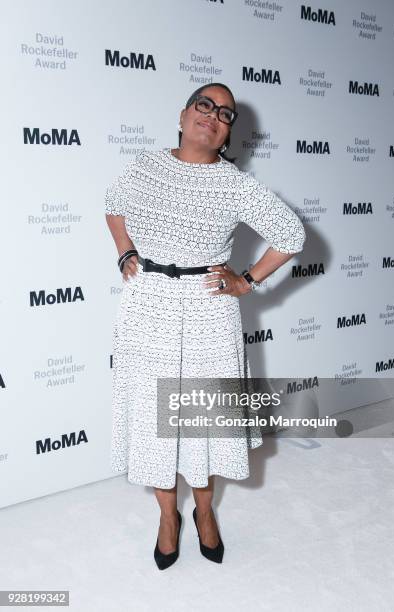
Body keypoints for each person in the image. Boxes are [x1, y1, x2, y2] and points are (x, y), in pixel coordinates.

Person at [105, 82, 306, 569]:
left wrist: (248, 281)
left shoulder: (236, 185)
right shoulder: (146, 167)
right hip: (148, 303)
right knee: (155, 422)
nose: (214, 116)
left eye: (226, 115)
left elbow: (291, 235)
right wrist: (126, 252)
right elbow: (113, 204)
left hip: (208, 310)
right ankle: (168, 516)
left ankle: (204, 510)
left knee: (203, 420)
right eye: (205, 105)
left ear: (226, 134)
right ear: (182, 114)